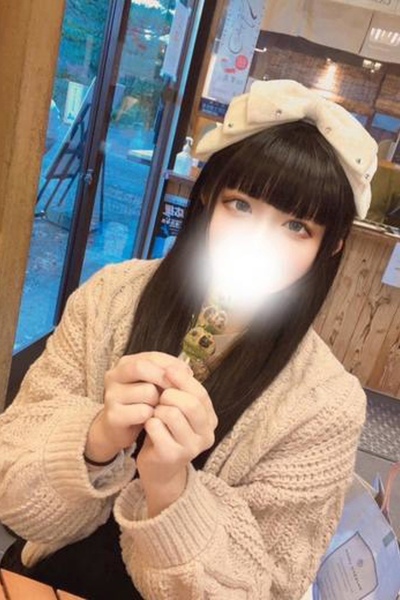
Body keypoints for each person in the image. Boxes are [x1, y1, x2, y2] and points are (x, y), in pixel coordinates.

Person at [0, 79, 378, 600]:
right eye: (240, 205)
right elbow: (10, 487)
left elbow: (269, 590)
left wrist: (170, 486)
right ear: (206, 197)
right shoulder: (111, 297)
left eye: (296, 227)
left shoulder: (328, 405)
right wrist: (96, 440)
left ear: (330, 247)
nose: (257, 242)